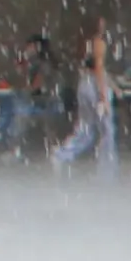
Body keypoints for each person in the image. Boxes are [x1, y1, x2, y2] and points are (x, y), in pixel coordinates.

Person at [48, 26, 118, 177]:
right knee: (106, 130)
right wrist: (103, 97)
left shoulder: (87, 44)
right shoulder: (98, 44)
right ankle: (106, 169)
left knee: (86, 129)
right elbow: (98, 68)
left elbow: (99, 70)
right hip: (94, 87)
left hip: (85, 83)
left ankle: (63, 154)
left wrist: (114, 87)